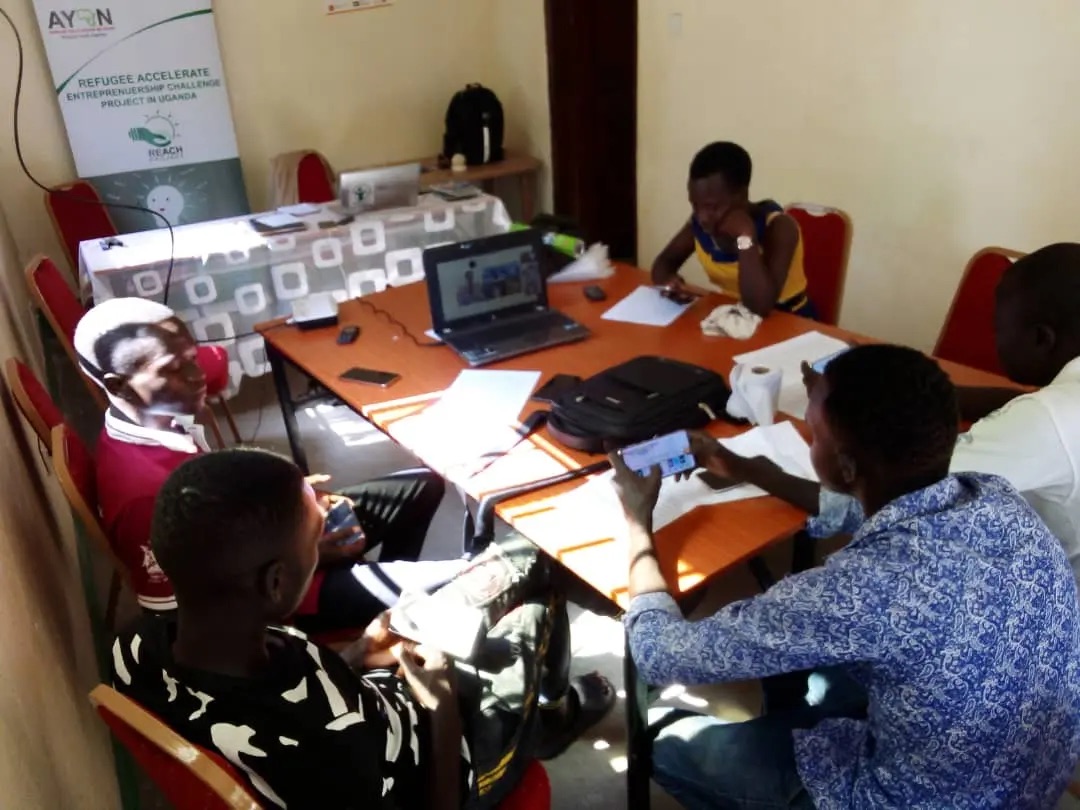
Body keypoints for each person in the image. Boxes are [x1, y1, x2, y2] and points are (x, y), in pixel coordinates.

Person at [612, 344, 1080, 809]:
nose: (809, 442)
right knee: (795, 661)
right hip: (1031, 780)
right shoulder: (992, 495)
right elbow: (877, 508)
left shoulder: (860, 591)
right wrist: (742, 466)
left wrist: (638, 522)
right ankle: (790, 730)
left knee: (666, 743)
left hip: (919, 799)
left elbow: (661, 654)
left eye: (813, 435)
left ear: (848, 466)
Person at [111, 448, 613, 808]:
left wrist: (355, 654)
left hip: (381, 703)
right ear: (276, 582)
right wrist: (438, 707)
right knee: (535, 610)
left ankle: (541, 710)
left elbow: (297, 688)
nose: (326, 540)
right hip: (448, 758)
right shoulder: (327, 757)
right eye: (317, 537)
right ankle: (543, 722)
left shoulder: (138, 644)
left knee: (529, 555)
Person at [705, 242, 1080, 585]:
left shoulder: (1043, 422)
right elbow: (1021, 400)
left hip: (1047, 603)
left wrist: (753, 469)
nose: (994, 338)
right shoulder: (1061, 398)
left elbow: (905, 493)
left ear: (1041, 339)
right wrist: (892, 385)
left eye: (997, 329)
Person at [74, 298, 457, 628]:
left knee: (426, 484)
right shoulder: (145, 496)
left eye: (192, 357)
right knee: (461, 578)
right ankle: (377, 599)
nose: (197, 374)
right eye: (174, 369)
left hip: (275, 542)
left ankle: (384, 602)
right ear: (119, 385)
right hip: (283, 594)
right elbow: (185, 616)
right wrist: (305, 555)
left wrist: (299, 513)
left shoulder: (157, 415)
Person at [651, 141, 813, 318]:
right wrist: (671, 283)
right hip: (734, 319)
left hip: (789, 323)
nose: (702, 217)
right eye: (695, 205)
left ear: (742, 196)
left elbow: (759, 306)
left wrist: (745, 236)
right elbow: (663, 264)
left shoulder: (779, 227)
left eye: (712, 207)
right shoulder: (702, 224)